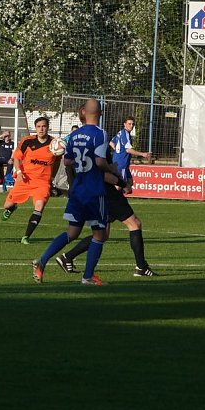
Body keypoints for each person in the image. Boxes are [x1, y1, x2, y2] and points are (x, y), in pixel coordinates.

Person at [32, 98, 116, 285]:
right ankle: (87, 276)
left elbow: (67, 161)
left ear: (83, 113)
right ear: (100, 114)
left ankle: (42, 260)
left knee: (72, 232)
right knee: (100, 234)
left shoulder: (75, 135)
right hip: (94, 190)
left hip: (77, 190)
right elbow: (100, 162)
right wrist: (114, 170)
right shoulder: (100, 134)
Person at [55, 147, 158, 277]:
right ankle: (141, 267)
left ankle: (67, 257)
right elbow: (101, 172)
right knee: (134, 224)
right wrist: (121, 183)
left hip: (95, 193)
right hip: (108, 193)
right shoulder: (97, 144)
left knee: (102, 235)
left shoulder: (82, 145)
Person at [1, 117, 61, 244]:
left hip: (42, 183)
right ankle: (12, 208)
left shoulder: (54, 144)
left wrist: (51, 178)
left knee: (39, 207)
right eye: (38, 126)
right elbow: (17, 158)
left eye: (44, 126)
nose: (41, 129)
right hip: (25, 180)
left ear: (48, 127)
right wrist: (18, 172)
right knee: (7, 205)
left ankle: (26, 237)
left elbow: (57, 162)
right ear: (35, 128)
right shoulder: (27, 141)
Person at [109, 116, 151, 193]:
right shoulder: (125, 134)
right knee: (119, 186)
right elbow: (128, 150)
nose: (131, 125)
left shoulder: (120, 132)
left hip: (120, 162)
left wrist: (117, 150)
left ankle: (115, 198)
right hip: (121, 163)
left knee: (130, 182)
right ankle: (111, 200)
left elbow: (111, 142)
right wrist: (142, 154)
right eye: (129, 124)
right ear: (124, 124)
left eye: (133, 124)